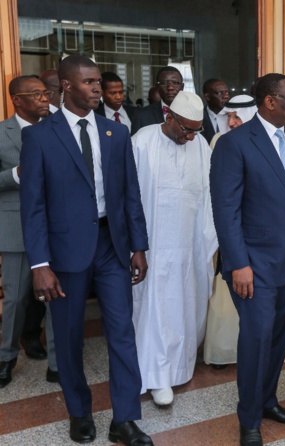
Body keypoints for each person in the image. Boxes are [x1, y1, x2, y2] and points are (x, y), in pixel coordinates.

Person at [20, 55, 152, 446]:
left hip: (112, 246)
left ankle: (124, 419)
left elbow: (131, 194)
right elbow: (33, 206)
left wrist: (139, 246)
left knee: (122, 333)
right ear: (66, 85)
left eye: (98, 81)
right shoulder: (41, 136)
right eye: (89, 82)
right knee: (69, 335)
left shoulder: (116, 134)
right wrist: (40, 264)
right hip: (63, 253)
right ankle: (79, 412)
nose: (97, 88)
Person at [211, 73, 285, 446]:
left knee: (280, 338)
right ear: (270, 102)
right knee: (256, 339)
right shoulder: (234, 144)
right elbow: (225, 209)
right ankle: (248, 419)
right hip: (253, 265)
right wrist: (238, 264)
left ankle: (267, 400)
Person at [131, 91, 218, 406]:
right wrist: (134, 245)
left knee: (183, 306)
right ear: (169, 117)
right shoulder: (142, 141)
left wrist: (207, 242)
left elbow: (208, 196)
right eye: (186, 129)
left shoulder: (199, 148)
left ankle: (178, 368)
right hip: (151, 247)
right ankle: (155, 376)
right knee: (153, 309)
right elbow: (129, 194)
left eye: (197, 131)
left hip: (188, 248)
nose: (191, 136)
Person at [0, 75, 58, 388]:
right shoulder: (1, 133)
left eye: (45, 93)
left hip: (55, 229)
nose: (44, 98)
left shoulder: (57, 130)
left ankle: (58, 363)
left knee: (57, 299)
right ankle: (6, 358)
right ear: (17, 100)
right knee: (15, 301)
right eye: (36, 94)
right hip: (15, 230)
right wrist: (16, 174)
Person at [204, 94, 257, 371]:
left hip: (256, 233)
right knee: (224, 297)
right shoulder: (218, 142)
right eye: (229, 118)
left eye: (237, 117)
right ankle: (223, 352)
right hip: (226, 232)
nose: (233, 123)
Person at [131, 66, 184, 135]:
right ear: (157, 87)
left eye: (175, 83)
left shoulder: (193, 112)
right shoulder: (142, 116)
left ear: (182, 87)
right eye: (164, 83)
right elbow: (135, 144)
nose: (170, 87)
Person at [201, 78, 230, 143]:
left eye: (227, 92)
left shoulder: (233, 117)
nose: (226, 96)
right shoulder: (199, 118)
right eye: (220, 93)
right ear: (207, 97)